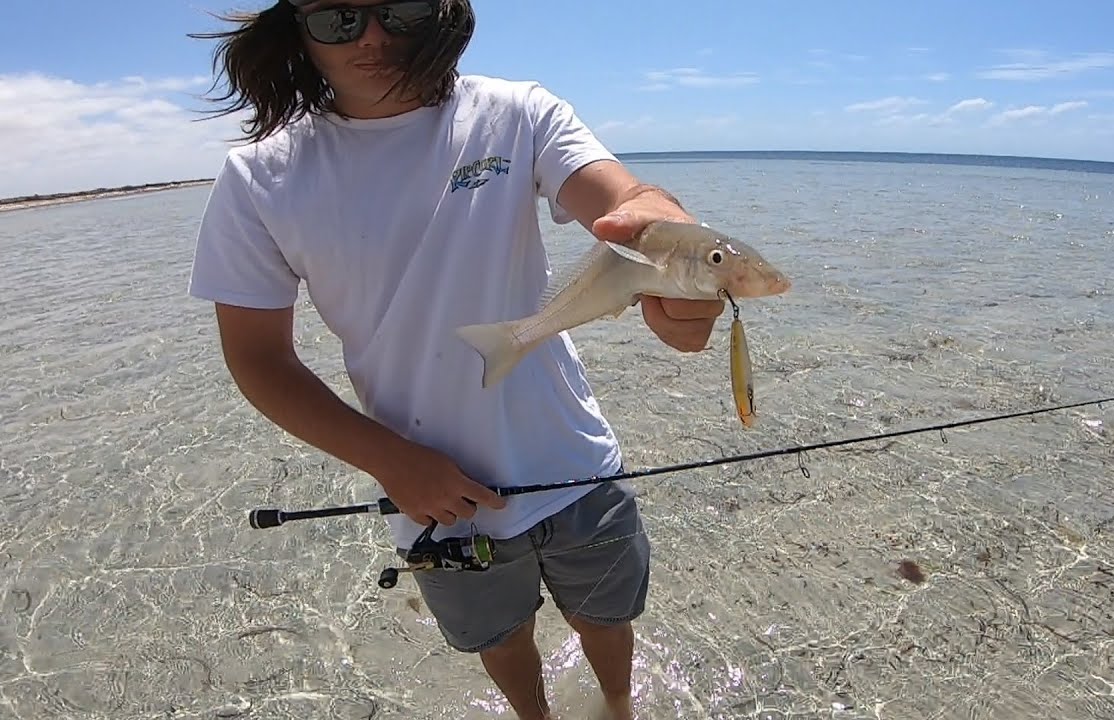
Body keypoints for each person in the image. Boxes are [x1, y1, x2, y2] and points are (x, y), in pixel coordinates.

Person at [186, 1, 723, 718]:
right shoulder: (260, 177)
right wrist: (392, 461)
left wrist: (679, 248)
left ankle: (620, 707)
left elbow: (623, 197)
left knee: (607, 617)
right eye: (337, 19)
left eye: (398, 9)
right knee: (501, 640)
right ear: (297, 29)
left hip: (572, 457)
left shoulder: (516, 113)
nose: (372, 36)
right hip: (430, 494)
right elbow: (259, 362)